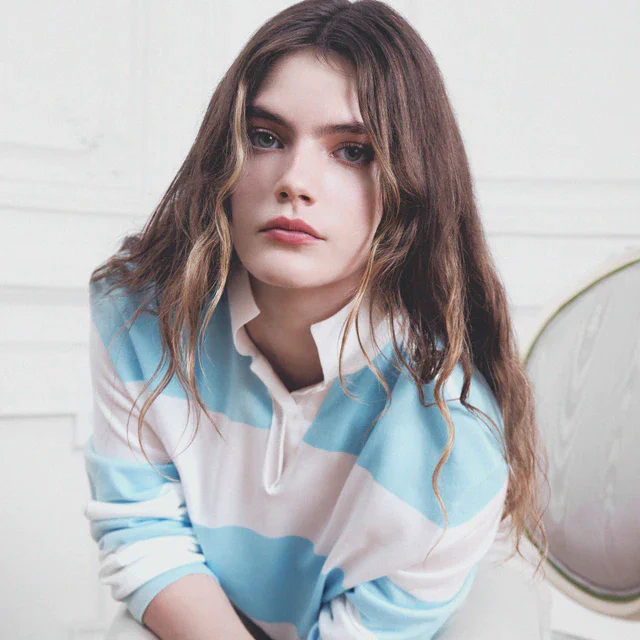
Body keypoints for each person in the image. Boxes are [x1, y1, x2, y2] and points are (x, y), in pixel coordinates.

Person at [82, 1, 549, 639]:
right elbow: (142, 530)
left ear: (414, 185)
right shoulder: (139, 314)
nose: (294, 182)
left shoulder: (453, 437)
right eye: (265, 137)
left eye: (352, 151)